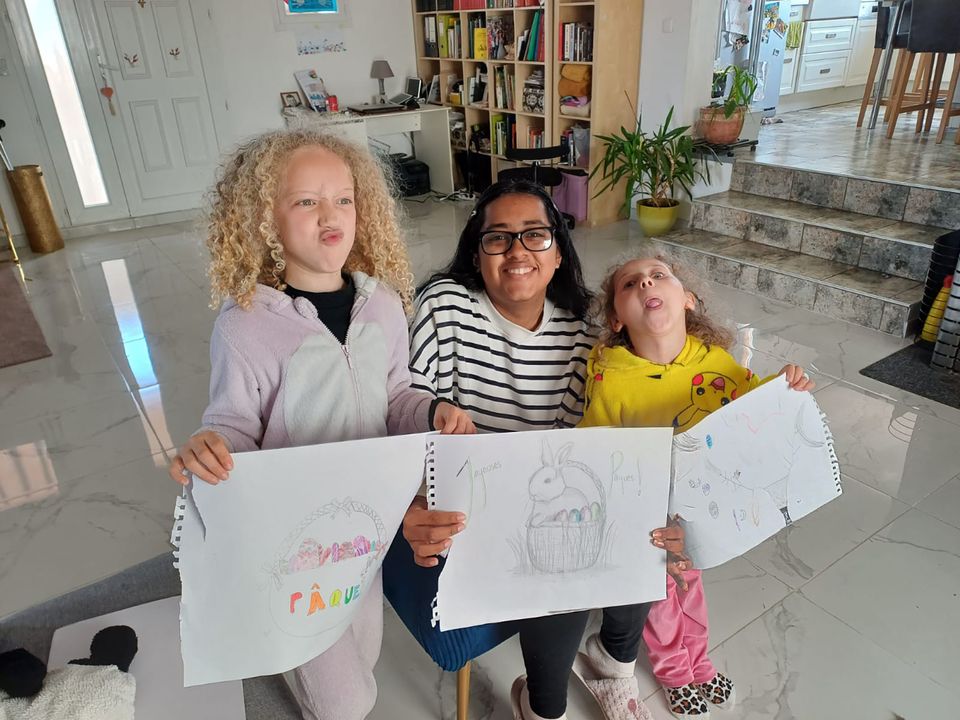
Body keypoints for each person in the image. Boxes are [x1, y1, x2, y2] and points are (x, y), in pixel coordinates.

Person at [166, 129, 474, 720]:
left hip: (366, 528)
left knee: (364, 647)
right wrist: (212, 446)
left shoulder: (383, 303)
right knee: (346, 699)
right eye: (306, 201)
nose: (329, 214)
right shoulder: (247, 324)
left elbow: (399, 395)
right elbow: (232, 423)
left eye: (343, 199)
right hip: (295, 540)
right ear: (264, 220)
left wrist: (432, 409)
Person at [383, 180, 688, 720]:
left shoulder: (582, 329)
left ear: (558, 252)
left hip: (544, 489)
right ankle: (542, 706)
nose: (518, 250)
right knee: (555, 560)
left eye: (534, 236)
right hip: (463, 503)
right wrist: (413, 500)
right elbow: (406, 406)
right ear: (476, 253)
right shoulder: (446, 306)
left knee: (634, 526)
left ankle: (613, 660)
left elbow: (589, 426)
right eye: (497, 238)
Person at [579, 250, 815, 719]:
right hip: (647, 513)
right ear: (616, 318)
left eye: (658, 276)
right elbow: (596, 448)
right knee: (662, 593)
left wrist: (786, 386)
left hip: (703, 505)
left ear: (686, 299)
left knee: (692, 583)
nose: (646, 285)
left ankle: (699, 662)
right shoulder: (611, 378)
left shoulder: (716, 360)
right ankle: (673, 672)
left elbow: (752, 399)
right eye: (631, 284)